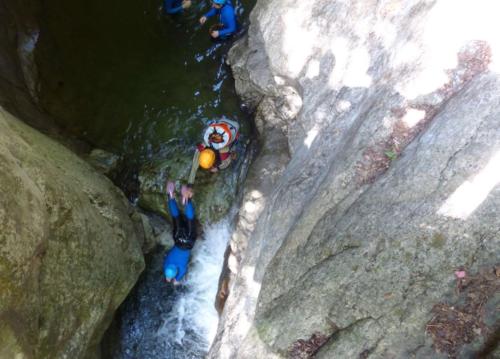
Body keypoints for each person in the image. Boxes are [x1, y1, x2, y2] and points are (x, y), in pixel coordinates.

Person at [163, 181, 197, 283]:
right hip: (177, 239)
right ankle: (170, 197)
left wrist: (175, 280)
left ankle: (188, 200)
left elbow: (176, 280)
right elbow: (167, 274)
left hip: (188, 241)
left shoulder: (180, 270)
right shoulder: (166, 265)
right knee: (176, 217)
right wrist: (168, 277)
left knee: (190, 220)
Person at [188, 118, 240, 183]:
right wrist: (190, 183)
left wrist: (218, 168)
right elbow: (195, 162)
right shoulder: (204, 144)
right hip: (222, 122)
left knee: (233, 155)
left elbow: (226, 162)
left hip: (234, 127)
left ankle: (236, 138)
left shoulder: (223, 152)